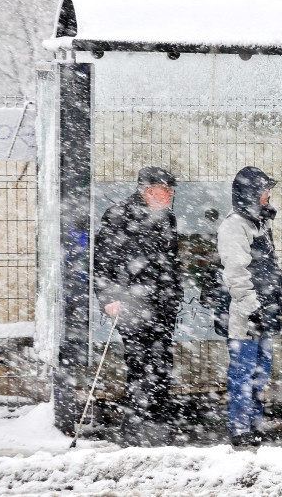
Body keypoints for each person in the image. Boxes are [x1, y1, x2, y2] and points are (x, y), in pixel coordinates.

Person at [93, 166, 182, 447]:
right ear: (148, 190)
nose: (169, 195)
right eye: (165, 190)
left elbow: (172, 260)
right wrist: (108, 298)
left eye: (171, 191)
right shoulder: (119, 215)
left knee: (162, 361)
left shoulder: (167, 218)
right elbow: (103, 260)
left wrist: (175, 293)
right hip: (132, 303)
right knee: (139, 361)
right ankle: (135, 424)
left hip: (162, 303)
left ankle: (158, 422)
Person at [216, 166, 282, 448]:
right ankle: (239, 426)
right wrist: (252, 308)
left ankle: (254, 423)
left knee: (261, 371)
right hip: (245, 314)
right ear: (251, 194)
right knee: (243, 372)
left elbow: (269, 268)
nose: (269, 196)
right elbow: (235, 271)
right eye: (264, 191)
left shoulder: (258, 223)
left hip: (263, 310)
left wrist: (276, 300)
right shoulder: (235, 226)